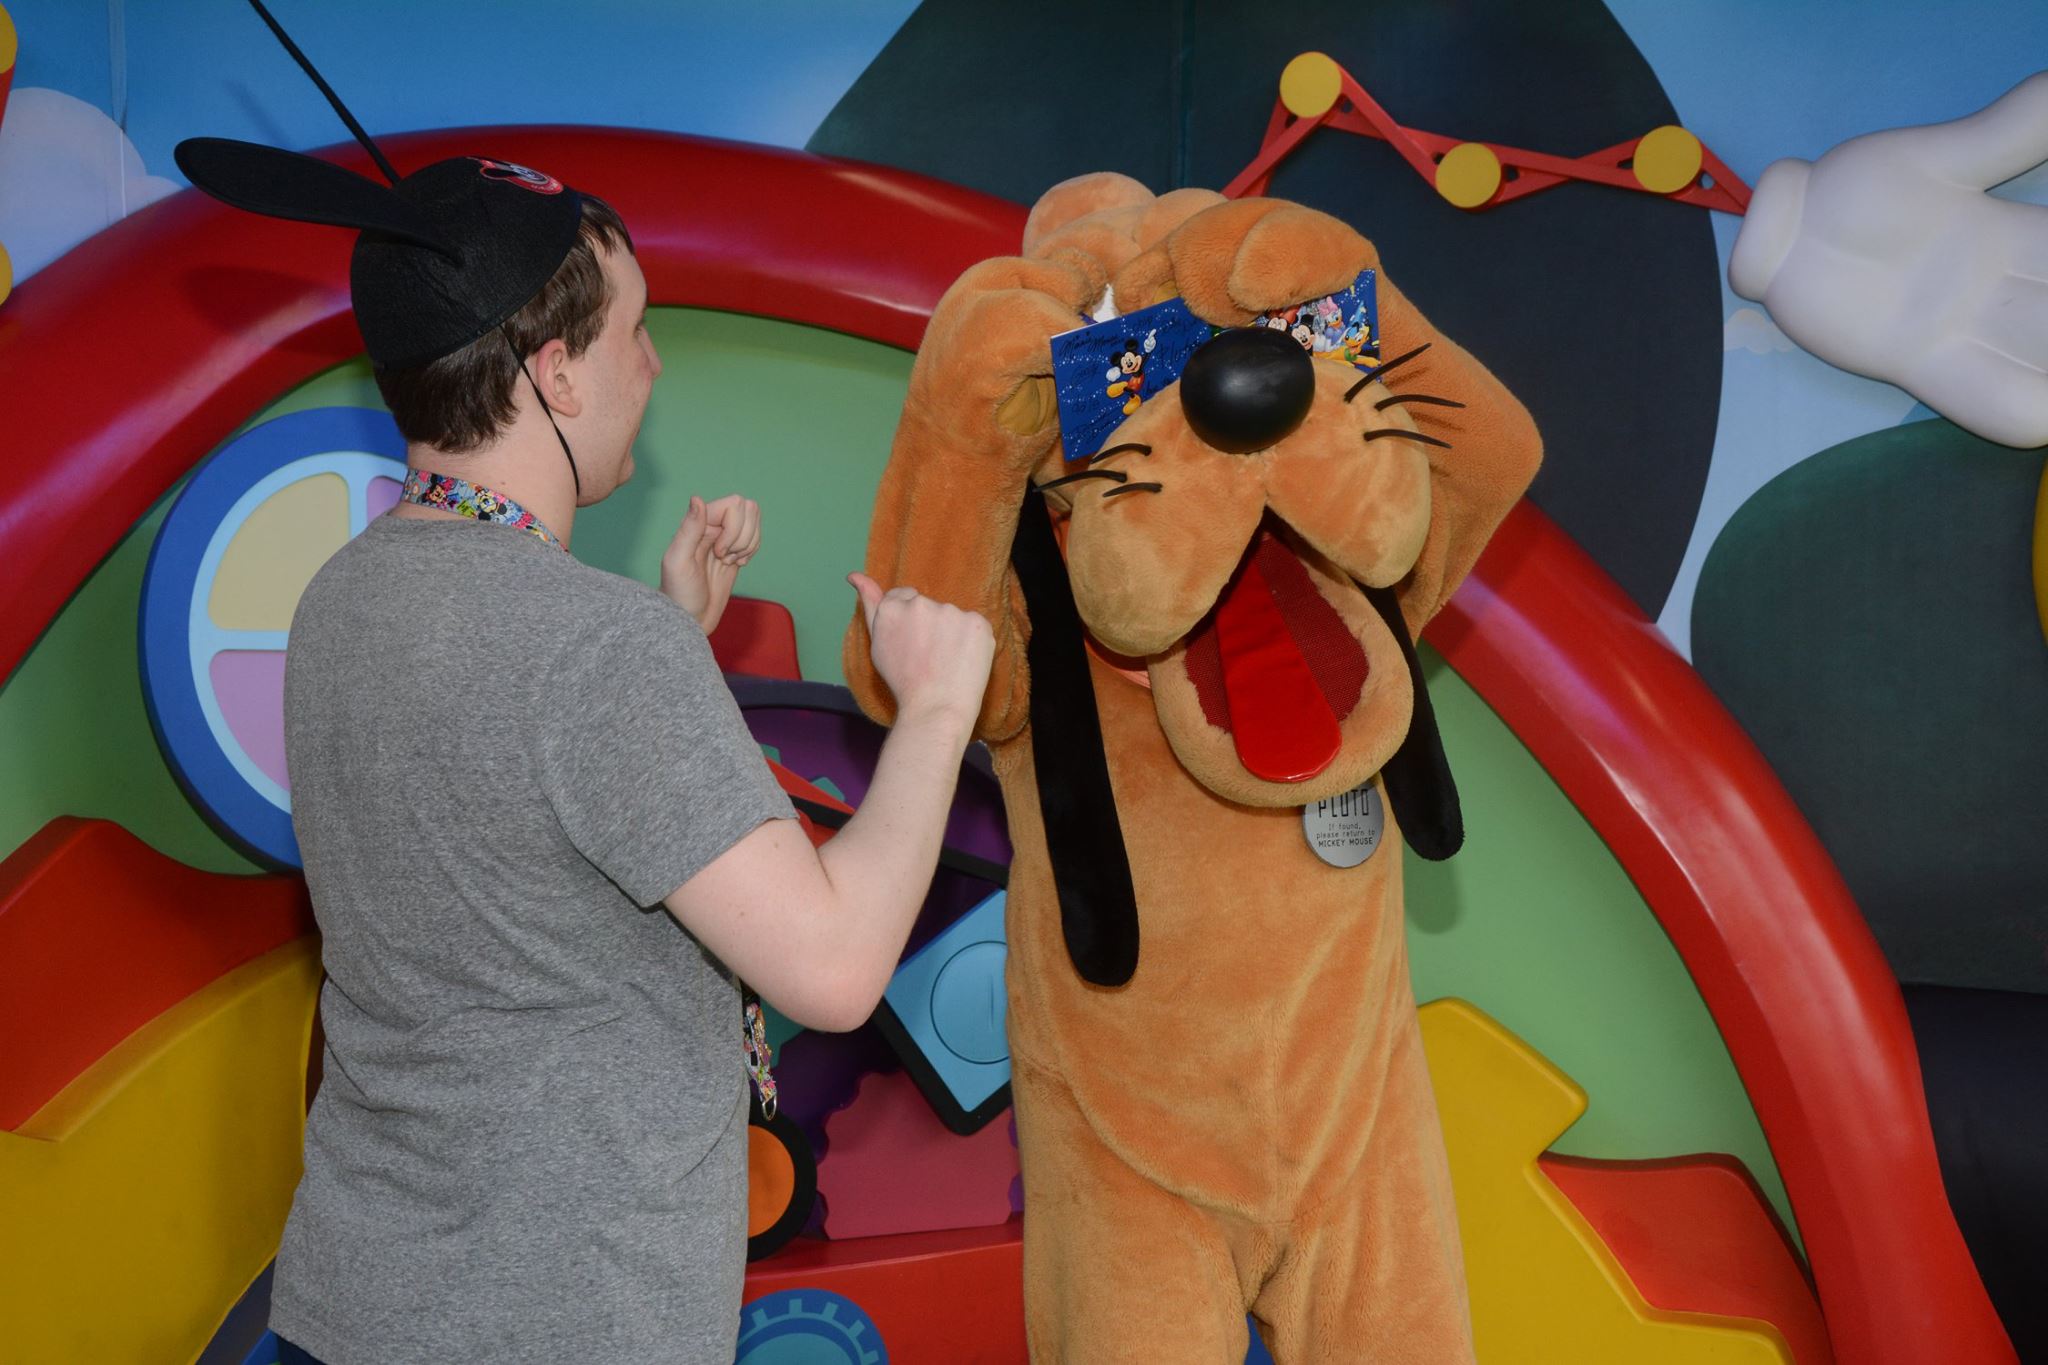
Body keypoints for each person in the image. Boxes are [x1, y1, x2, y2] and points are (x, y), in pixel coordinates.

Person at [178, 133, 992, 1365]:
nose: (652, 365)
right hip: (560, 1322)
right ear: (555, 374)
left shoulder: (340, 600)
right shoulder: (597, 651)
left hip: (358, 1307)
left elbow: (511, 825)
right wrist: (933, 709)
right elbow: (831, 969)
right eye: (636, 331)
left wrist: (672, 639)